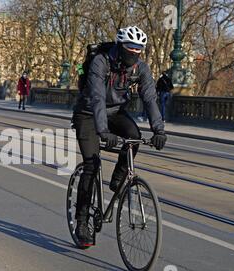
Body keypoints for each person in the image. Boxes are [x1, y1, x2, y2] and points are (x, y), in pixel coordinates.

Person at [72, 26, 167, 246]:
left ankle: (118, 179)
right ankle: (82, 221)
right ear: (120, 47)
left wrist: (159, 130)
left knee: (134, 136)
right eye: (130, 49)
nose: (134, 54)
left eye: (139, 50)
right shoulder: (101, 62)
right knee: (91, 164)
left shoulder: (141, 69)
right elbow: (96, 97)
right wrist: (103, 131)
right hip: (88, 114)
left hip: (115, 112)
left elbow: (150, 98)